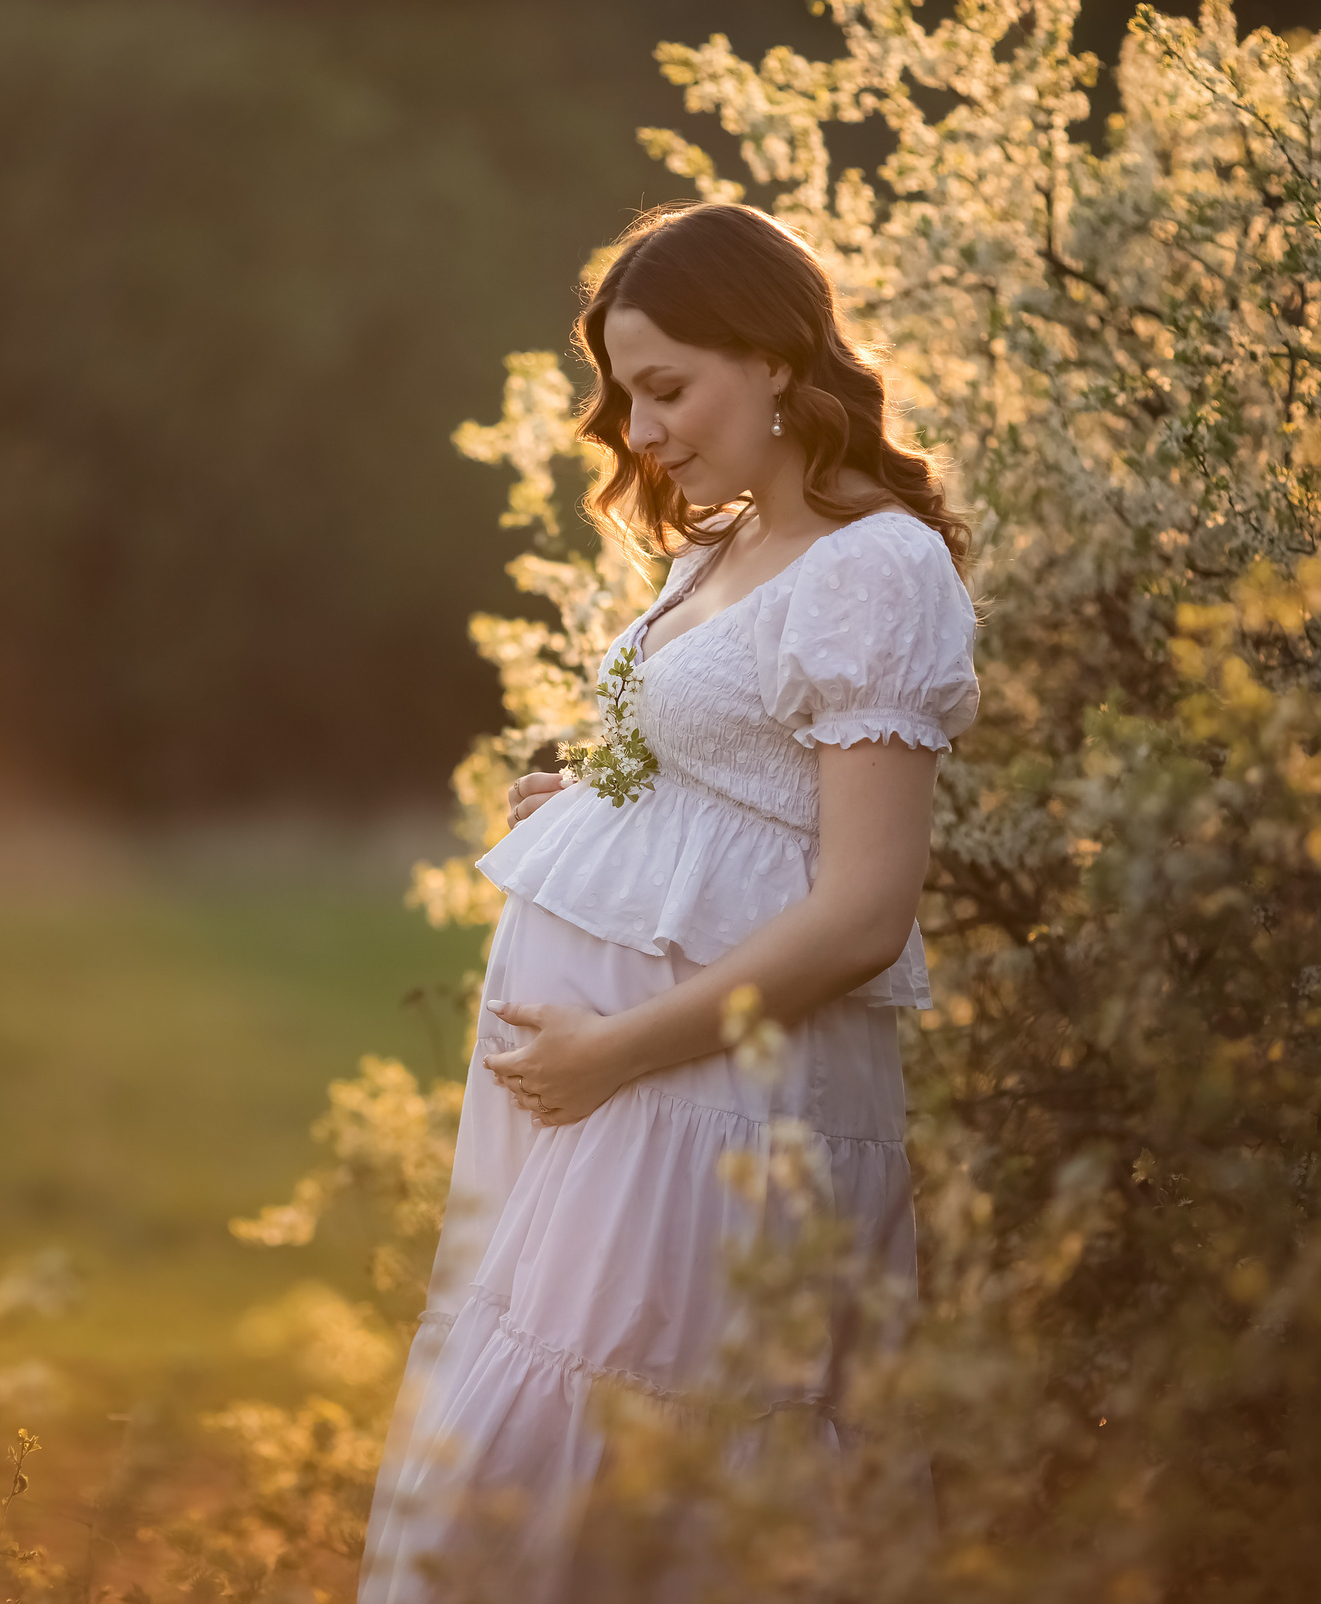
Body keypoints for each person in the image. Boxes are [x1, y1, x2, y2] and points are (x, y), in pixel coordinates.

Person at [357, 202, 980, 1603]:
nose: (641, 432)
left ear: (773, 360)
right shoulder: (727, 545)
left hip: (713, 1103)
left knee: (633, 1494)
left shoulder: (878, 566)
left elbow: (865, 910)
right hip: (622, 1108)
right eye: (626, 394)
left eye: (666, 388)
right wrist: (586, 809)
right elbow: (737, 786)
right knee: (526, 1486)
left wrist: (610, 1054)